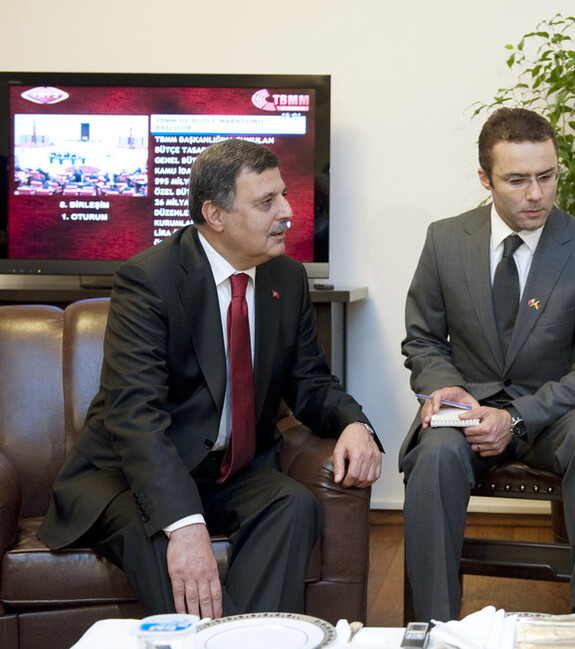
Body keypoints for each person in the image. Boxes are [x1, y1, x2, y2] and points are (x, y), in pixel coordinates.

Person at [38, 138, 383, 619]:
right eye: (266, 202)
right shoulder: (149, 281)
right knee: (157, 534)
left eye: (283, 194)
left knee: (293, 506)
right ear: (215, 215)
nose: (287, 211)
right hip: (129, 477)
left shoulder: (286, 277)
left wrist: (355, 424)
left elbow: (309, 380)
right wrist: (183, 523)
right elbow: (135, 418)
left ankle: (248, 636)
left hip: (229, 473)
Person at [400, 107, 575, 621]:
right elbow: (423, 339)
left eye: (547, 176)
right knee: (434, 455)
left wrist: (517, 416)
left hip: (556, 413)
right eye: (517, 179)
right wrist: (448, 389)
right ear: (485, 178)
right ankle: (435, 626)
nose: (536, 194)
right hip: (469, 406)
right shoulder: (444, 240)